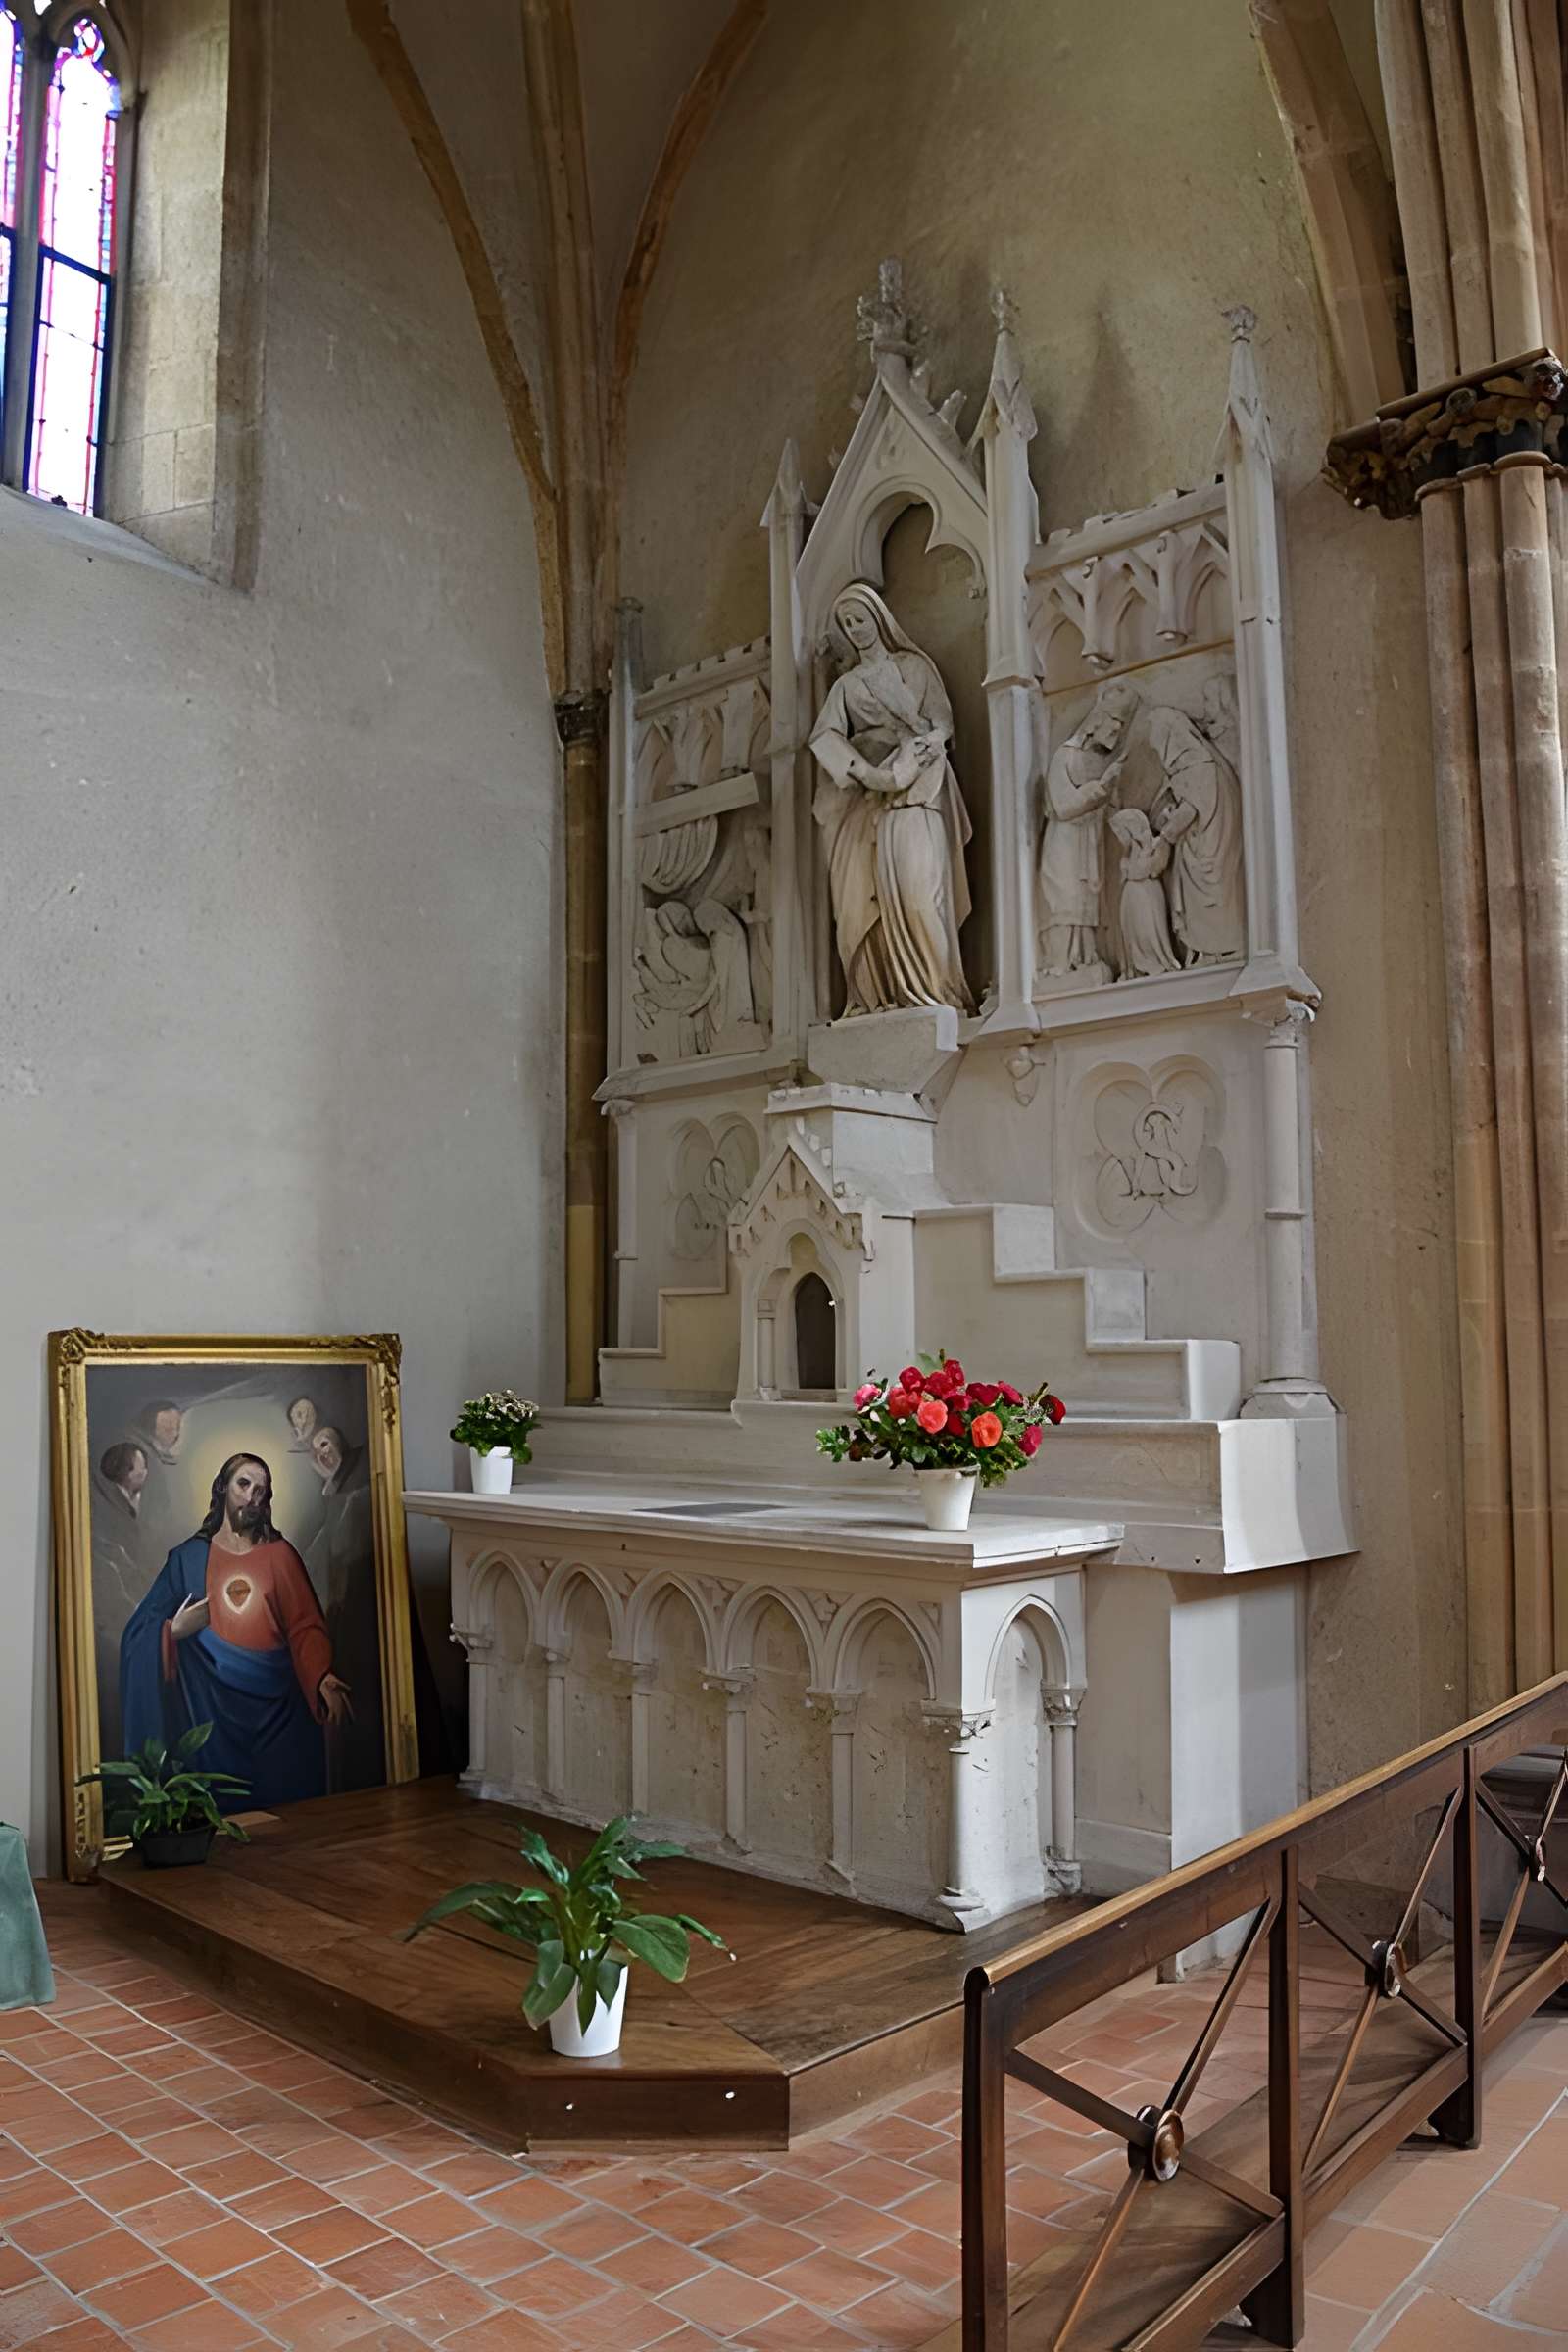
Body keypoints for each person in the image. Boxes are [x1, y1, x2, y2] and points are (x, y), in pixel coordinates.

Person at [120, 1453, 351, 1811]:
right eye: (244, 1484)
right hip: (209, 1714)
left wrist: (321, 1675)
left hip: (278, 1713)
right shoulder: (188, 1558)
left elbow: (305, 1626)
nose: (251, 1497)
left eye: (261, 1490)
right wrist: (172, 1630)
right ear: (224, 1487)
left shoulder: (281, 1556)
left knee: (287, 1817)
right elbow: (137, 1633)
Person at [808, 583, 973, 1013]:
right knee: (863, 904)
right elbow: (825, 736)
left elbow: (942, 723)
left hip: (919, 784)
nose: (855, 629)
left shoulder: (914, 667)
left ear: (879, 618)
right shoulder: (846, 686)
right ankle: (883, 996)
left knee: (919, 897)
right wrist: (862, 770)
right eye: (847, 624)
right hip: (870, 799)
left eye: (860, 619)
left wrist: (923, 748)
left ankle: (938, 992)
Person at [1039, 683, 1139, 976]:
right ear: (1097, 721)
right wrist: (1099, 790)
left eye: (1121, 729)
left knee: (1086, 903)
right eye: (1113, 726)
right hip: (1065, 843)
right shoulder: (1065, 756)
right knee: (1063, 898)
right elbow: (1062, 806)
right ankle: (1059, 964)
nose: (1115, 734)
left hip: (1088, 843)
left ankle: (1083, 959)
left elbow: (1107, 808)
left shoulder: (1096, 760)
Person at [307, 1427, 382, 1791]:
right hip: (345, 1611)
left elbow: (342, 1546)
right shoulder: (336, 1490)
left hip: (366, 1609)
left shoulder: (363, 1488)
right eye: (314, 1448)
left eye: (326, 1442)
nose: (321, 1452)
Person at [1149, 705, 1246, 965]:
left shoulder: (1197, 763)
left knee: (1212, 899)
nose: (1158, 748)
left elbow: (1191, 809)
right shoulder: (1188, 765)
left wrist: (1165, 837)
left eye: (1158, 739)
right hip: (1199, 842)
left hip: (1209, 846)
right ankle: (1208, 952)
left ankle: (1221, 951)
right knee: (1201, 901)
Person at [90, 1442, 148, 1757]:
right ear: (127, 1472)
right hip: (114, 1617)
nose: (146, 1472)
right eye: (141, 1466)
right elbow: (113, 1561)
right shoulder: (108, 1507)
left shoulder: (130, 1501)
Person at [1107, 808, 1180, 978]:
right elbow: (1128, 871)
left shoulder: (1155, 845)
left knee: (1148, 929)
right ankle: (1135, 967)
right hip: (1130, 897)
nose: (1120, 837)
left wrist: (1143, 849)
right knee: (1132, 933)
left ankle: (1155, 962)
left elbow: (1147, 869)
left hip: (1147, 895)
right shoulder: (1128, 852)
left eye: (1122, 832)